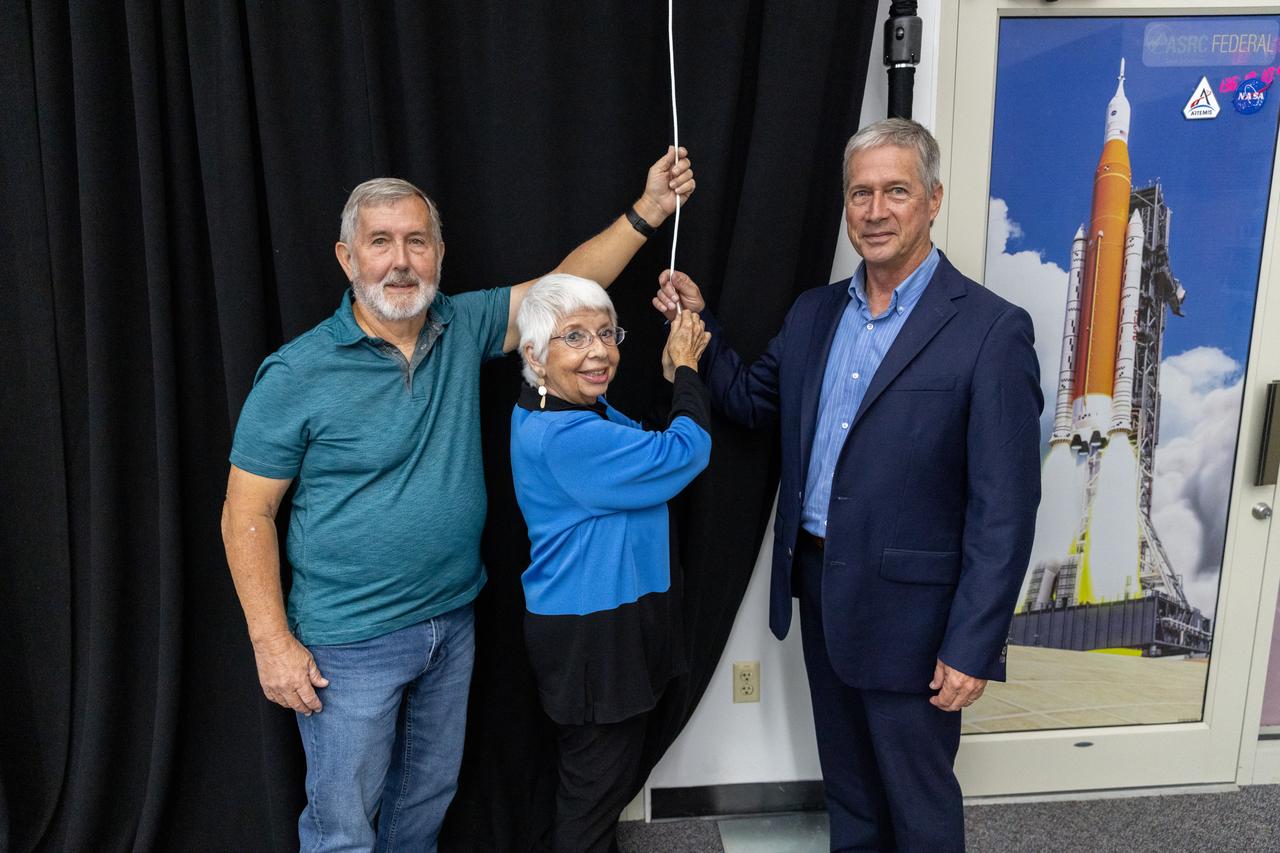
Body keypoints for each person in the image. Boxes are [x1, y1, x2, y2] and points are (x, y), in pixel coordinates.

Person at [220, 149, 694, 853]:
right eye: (380, 242)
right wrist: (271, 643)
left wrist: (651, 208)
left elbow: (566, 286)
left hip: (451, 621)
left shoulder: (459, 324)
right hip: (349, 641)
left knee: (423, 808)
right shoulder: (297, 372)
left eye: (417, 241)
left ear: (439, 254)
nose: (400, 261)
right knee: (343, 828)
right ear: (347, 258)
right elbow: (245, 513)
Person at [653, 118, 1042, 852]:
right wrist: (700, 324)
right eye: (860, 193)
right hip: (823, 592)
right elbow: (751, 401)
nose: (875, 210)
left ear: (933, 199)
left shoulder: (991, 332)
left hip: (918, 618)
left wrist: (972, 643)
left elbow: (1006, 510)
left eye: (896, 191)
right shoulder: (814, 313)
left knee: (918, 806)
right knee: (851, 795)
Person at [509, 274, 711, 853]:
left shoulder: (579, 410)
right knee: (592, 799)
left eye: (605, 333)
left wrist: (673, 378)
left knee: (602, 786)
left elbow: (646, 442)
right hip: (592, 636)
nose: (598, 351)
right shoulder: (564, 435)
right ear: (535, 356)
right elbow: (685, 450)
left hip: (610, 623)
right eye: (574, 336)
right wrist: (687, 368)